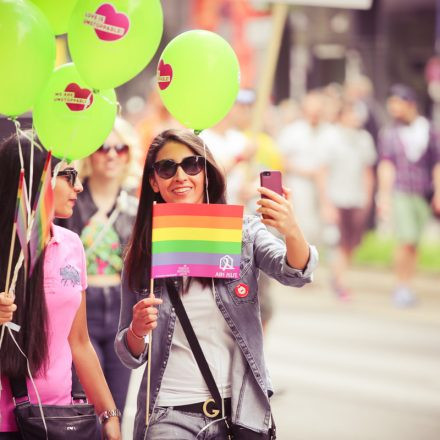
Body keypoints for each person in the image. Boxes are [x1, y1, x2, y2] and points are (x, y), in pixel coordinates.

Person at [114, 129, 318, 439]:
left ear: (206, 173)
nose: (180, 175)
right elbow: (129, 353)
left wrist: (291, 229)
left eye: (192, 164)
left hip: (238, 413)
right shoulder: (143, 250)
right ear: (154, 181)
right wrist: (137, 330)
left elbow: (295, 272)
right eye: (167, 168)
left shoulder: (242, 232)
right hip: (169, 413)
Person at [0, 133, 121, 439]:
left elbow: (79, 341)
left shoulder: (71, 244)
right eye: (68, 175)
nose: (79, 186)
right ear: (34, 180)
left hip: (60, 420)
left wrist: (109, 415)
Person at [59, 117, 141, 414]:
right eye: (103, 147)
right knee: (86, 402)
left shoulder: (135, 207)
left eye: (120, 149)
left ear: (129, 155)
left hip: (122, 307)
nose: (111, 154)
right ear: (90, 154)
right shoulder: (71, 201)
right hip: (81, 306)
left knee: (116, 405)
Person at [377, 84, 440, 307]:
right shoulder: (390, 133)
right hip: (401, 191)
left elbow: (436, 163)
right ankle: (400, 285)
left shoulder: (429, 130)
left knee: (414, 242)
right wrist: (384, 196)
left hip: (422, 193)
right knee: (405, 239)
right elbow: (386, 165)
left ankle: (408, 284)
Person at [319, 102, 377, 299]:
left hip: (357, 198)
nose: (355, 118)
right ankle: (341, 282)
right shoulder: (330, 137)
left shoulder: (364, 139)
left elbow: (367, 170)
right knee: (338, 241)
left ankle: (338, 276)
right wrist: (326, 202)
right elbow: (323, 171)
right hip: (336, 197)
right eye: (352, 114)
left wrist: (368, 198)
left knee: (351, 243)